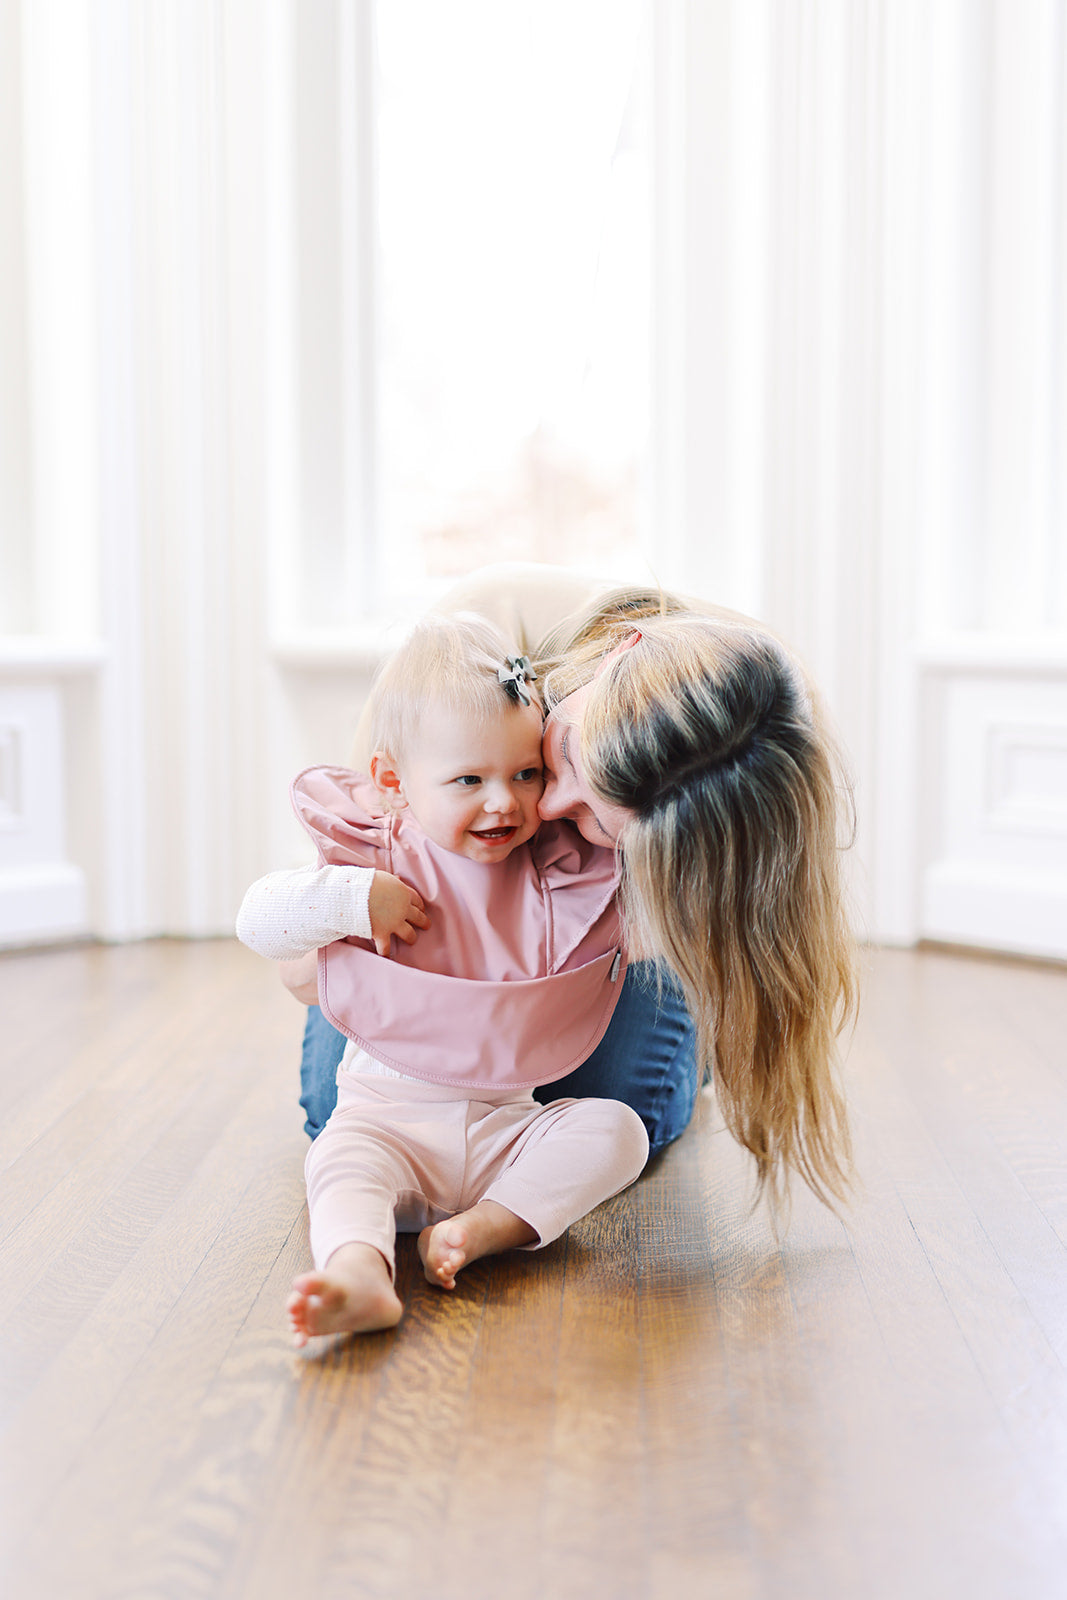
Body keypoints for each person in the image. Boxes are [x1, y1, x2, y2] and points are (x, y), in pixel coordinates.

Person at [289, 562, 857, 1213]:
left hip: (620, 926)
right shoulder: (462, 647)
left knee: (620, 1107)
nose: (552, 806)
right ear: (616, 655)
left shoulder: (757, 768)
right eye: (555, 761)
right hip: (460, 887)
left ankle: (689, 1033)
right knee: (338, 1110)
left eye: (596, 819)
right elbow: (344, 911)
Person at [237, 614, 649, 1344]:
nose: (505, 802)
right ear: (393, 783)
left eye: (527, 775)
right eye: (469, 779)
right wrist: (348, 900)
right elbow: (258, 921)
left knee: (616, 1129)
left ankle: (487, 1227)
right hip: (384, 1123)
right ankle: (360, 1273)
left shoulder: (553, 870)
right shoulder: (375, 856)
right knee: (338, 1160)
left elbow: (635, 936)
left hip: (509, 1129)